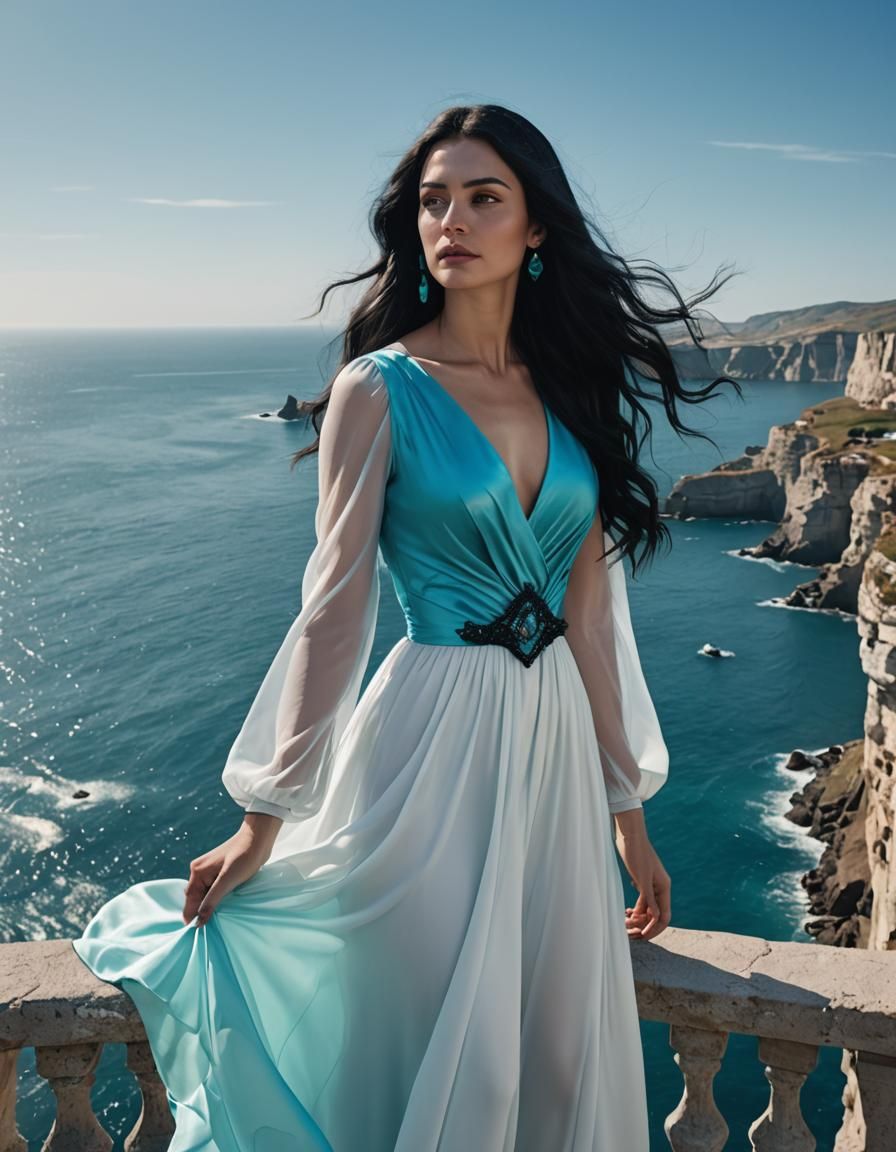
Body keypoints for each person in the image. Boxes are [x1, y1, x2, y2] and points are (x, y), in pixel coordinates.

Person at [72, 103, 742, 1151]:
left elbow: (589, 622)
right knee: (430, 1034)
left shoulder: (567, 391)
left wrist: (628, 815)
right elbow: (335, 606)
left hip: (555, 752)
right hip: (428, 742)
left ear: (536, 230)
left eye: (484, 197)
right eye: (434, 199)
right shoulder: (375, 388)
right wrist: (265, 815)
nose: (452, 220)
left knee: (555, 1048)